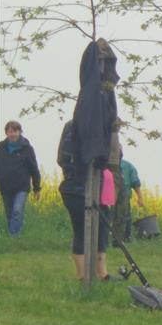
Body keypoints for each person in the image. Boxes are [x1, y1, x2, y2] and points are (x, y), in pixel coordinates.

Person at [57, 120, 109, 281]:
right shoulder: (74, 129)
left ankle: (102, 273)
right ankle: (82, 275)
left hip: (100, 188)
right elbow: (65, 159)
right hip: (77, 190)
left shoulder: (103, 127)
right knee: (81, 231)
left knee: (101, 230)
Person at [0, 120, 42, 237]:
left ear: (20, 132)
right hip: (5, 186)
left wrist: (37, 188)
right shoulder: (0, 147)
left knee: (17, 210)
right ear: (6, 133)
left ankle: (14, 236)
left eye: (15, 131)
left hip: (22, 187)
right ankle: (13, 235)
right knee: (9, 213)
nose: (12, 134)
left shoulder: (27, 148)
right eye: (10, 131)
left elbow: (34, 169)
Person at [114, 156, 144, 242]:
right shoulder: (106, 165)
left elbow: (135, 183)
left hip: (123, 197)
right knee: (117, 217)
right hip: (111, 196)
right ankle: (117, 238)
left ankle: (124, 238)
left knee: (124, 217)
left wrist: (140, 198)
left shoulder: (128, 166)